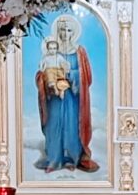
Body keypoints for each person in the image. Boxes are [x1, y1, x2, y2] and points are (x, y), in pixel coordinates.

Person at [34, 17, 96, 172]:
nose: (65, 33)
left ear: (73, 33)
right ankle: (54, 159)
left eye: (68, 30)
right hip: (55, 98)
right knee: (54, 125)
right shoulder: (51, 49)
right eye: (62, 30)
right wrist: (46, 77)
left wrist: (71, 74)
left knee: (71, 126)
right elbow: (41, 72)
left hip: (72, 98)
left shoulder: (80, 51)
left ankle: (72, 159)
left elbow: (87, 75)